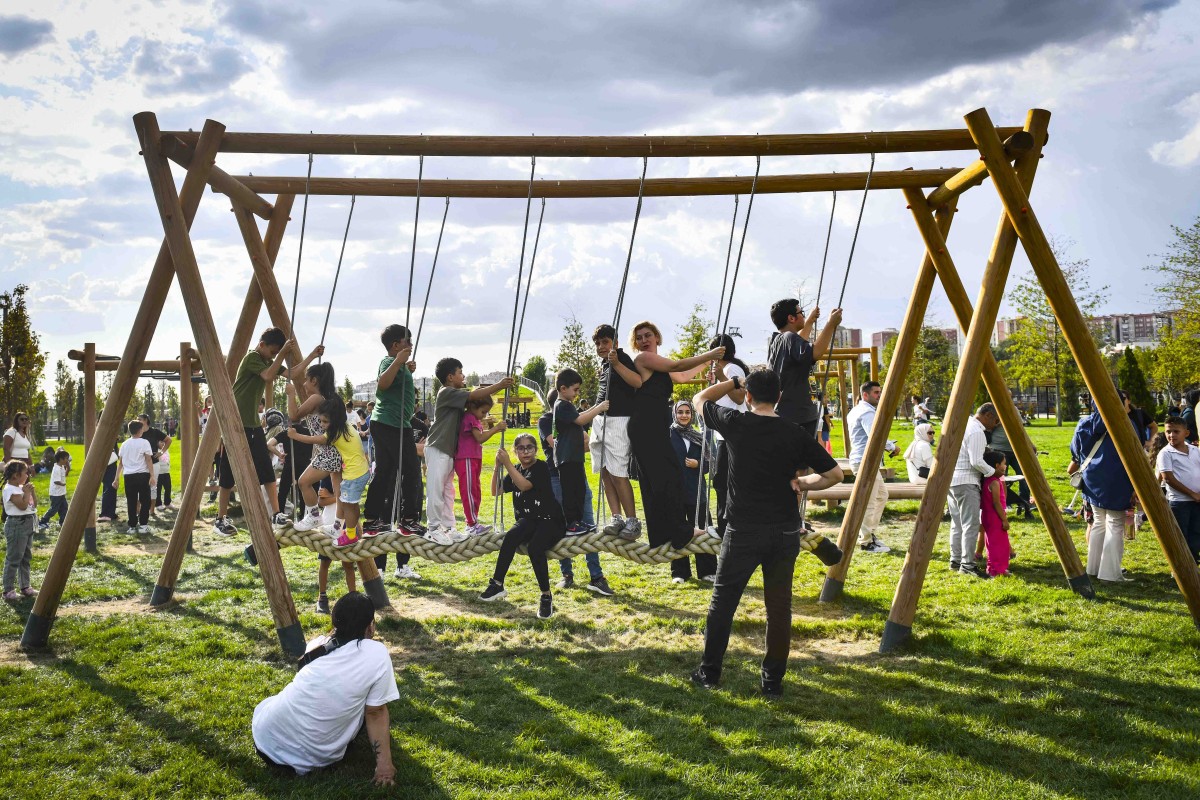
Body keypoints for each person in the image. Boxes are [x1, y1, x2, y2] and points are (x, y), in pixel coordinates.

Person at [690, 368, 843, 698]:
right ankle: (772, 682)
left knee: (722, 604)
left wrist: (733, 381)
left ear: (748, 397)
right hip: (784, 532)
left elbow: (699, 398)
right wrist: (802, 483)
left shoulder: (736, 423)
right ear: (780, 397)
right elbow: (835, 474)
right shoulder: (794, 433)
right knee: (778, 609)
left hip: (743, 530)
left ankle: (709, 673)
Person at [252, 592, 398, 784]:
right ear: (370, 627)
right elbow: (376, 712)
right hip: (312, 760)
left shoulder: (316, 644)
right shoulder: (377, 654)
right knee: (373, 704)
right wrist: (385, 767)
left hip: (265, 738)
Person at [215, 328, 324, 535]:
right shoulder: (252, 358)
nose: (274, 356)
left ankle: (276, 513)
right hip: (234, 423)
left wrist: (311, 355)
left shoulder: (267, 360)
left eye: (276, 353)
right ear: (262, 344)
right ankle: (220, 519)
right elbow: (267, 376)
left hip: (253, 424)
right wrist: (282, 352)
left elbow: (292, 373)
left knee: (266, 470)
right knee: (228, 472)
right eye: (273, 352)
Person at [628, 321, 723, 550]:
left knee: (661, 479)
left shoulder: (659, 365)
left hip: (654, 427)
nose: (644, 340)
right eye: (639, 337)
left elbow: (681, 375)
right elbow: (678, 364)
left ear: (657, 338)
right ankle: (678, 531)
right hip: (645, 427)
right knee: (664, 478)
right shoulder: (643, 359)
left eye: (648, 335)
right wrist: (708, 354)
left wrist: (708, 362)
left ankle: (663, 535)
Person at [426, 358, 514, 544]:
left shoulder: (455, 395)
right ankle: (433, 528)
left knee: (448, 491)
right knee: (436, 490)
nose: (463, 375)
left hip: (449, 450)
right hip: (438, 446)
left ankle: (449, 527)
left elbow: (476, 403)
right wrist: (499, 385)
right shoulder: (446, 392)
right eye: (460, 372)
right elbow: (475, 396)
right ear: (450, 377)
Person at [479, 433, 565, 619]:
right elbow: (495, 491)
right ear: (515, 451)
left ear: (535, 450)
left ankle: (546, 596)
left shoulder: (540, 467)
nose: (526, 451)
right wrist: (496, 466)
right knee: (510, 537)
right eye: (521, 448)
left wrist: (508, 464)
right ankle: (497, 584)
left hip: (550, 520)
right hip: (529, 520)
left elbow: (525, 485)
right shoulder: (516, 469)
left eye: (529, 447)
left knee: (535, 548)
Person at [540, 390, 613, 596]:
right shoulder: (546, 420)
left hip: (577, 472)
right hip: (556, 477)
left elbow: (586, 441)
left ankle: (596, 576)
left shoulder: (572, 417)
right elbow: (556, 443)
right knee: (566, 525)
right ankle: (567, 574)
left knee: (588, 524)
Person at [287, 399, 368, 549]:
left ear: (335, 420)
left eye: (325, 422)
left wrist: (295, 435)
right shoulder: (346, 427)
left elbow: (315, 439)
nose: (322, 425)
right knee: (348, 503)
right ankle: (340, 529)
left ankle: (350, 535)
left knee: (350, 506)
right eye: (321, 421)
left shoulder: (335, 433)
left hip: (355, 474)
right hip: (357, 471)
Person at [1072, 406, 1134, 583]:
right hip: (1118, 478)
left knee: (1099, 523)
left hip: (1092, 479)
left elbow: (1075, 451)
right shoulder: (1122, 424)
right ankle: (1109, 574)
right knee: (1115, 525)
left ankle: (1093, 568)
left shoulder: (1084, 423)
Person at [591, 324, 643, 539]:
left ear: (616, 343)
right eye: (598, 343)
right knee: (604, 471)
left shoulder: (622, 359)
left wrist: (617, 363)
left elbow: (637, 382)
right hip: (600, 420)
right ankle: (616, 516)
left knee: (618, 472)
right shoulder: (604, 364)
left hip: (619, 421)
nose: (601, 347)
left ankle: (632, 520)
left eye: (605, 342)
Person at [767, 299, 842, 436]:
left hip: (785, 413)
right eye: (801, 312)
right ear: (791, 318)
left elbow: (799, 345)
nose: (803, 315)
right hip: (799, 417)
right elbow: (815, 352)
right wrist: (831, 324)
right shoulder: (790, 338)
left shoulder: (778, 340)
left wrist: (809, 322)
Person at [285, 363, 344, 534]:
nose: (303, 384)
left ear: (314, 380)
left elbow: (294, 416)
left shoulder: (317, 398)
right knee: (339, 493)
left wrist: (291, 394)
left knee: (303, 482)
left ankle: (313, 516)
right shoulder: (328, 398)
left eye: (306, 380)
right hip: (334, 451)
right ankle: (339, 526)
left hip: (328, 452)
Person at [845, 381, 900, 554]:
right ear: (865, 395)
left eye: (880, 392)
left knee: (882, 495)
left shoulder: (856, 410)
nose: (879, 395)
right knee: (869, 501)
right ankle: (866, 542)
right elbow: (875, 436)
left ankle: (870, 534)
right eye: (876, 392)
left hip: (865, 461)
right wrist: (892, 447)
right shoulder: (867, 412)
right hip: (865, 461)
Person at [553, 368, 609, 534]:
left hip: (573, 457)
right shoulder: (562, 405)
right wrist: (599, 407)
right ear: (563, 389)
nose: (577, 393)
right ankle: (571, 523)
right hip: (567, 457)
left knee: (579, 490)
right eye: (575, 389)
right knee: (571, 491)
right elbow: (580, 419)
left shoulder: (566, 405)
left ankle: (577, 522)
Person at [705, 334, 749, 538]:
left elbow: (740, 397)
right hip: (725, 432)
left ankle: (726, 526)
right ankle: (727, 524)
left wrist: (723, 378)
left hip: (732, 432)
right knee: (723, 479)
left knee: (722, 480)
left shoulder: (732, 369)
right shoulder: (728, 369)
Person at [948, 403, 1000, 577]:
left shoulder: (965, 425)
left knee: (957, 524)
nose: (996, 424)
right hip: (967, 482)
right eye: (996, 420)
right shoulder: (977, 431)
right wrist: (994, 473)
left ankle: (955, 560)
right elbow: (976, 461)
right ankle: (967, 564)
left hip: (953, 480)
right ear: (987, 415)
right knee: (971, 525)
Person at [669, 399, 717, 582]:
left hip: (696, 490)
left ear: (691, 415)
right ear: (675, 413)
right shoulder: (668, 435)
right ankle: (680, 572)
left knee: (702, 528)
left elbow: (711, 464)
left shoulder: (698, 436)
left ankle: (707, 570)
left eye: (687, 412)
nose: (683, 415)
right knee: (679, 529)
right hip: (675, 491)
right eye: (680, 412)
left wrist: (699, 465)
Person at [456, 395, 505, 536]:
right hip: (466, 458)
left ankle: (473, 521)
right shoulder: (469, 418)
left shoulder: (475, 419)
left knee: (476, 490)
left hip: (474, 458)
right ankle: (471, 524)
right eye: (483, 412)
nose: (484, 416)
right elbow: (480, 438)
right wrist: (496, 428)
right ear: (472, 407)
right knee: (469, 491)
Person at [1156, 416, 1200, 564]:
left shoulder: (1195, 450)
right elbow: (1168, 478)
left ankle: (1193, 565)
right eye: (1168, 431)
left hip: (1197, 501)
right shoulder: (1165, 453)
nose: (1171, 435)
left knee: (1196, 534)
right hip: (1179, 503)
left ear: (1186, 433)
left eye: (1176, 431)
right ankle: (1180, 569)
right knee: (1180, 537)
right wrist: (1192, 494)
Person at [314, 476, 358, 614]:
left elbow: (353, 500)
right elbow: (321, 501)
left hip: (347, 525)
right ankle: (322, 597)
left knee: (348, 564)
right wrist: (339, 497)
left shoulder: (350, 474)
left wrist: (333, 496)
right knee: (325, 562)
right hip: (329, 523)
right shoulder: (327, 476)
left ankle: (353, 596)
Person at [3, 460, 39, 600]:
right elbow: (23, 506)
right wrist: (26, 492)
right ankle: (8, 590)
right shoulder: (10, 490)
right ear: (16, 475)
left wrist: (32, 492)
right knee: (14, 558)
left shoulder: (20, 487)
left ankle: (25, 586)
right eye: (25, 472)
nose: (28, 474)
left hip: (27, 524)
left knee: (25, 557)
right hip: (17, 525)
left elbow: (33, 505)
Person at [114, 419, 156, 534]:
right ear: (139, 430)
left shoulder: (124, 444)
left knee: (131, 501)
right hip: (143, 475)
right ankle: (143, 525)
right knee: (145, 501)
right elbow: (148, 460)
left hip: (128, 476)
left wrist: (116, 478)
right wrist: (152, 476)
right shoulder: (144, 442)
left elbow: (121, 463)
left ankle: (132, 526)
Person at [987, 417, 1032, 519]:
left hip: (1016, 450)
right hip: (998, 450)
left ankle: (1024, 503)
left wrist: (1030, 444)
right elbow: (988, 426)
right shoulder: (993, 410)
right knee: (1001, 480)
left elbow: (1020, 428)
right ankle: (1003, 505)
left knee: (1025, 476)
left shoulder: (1014, 410)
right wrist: (996, 423)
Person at [979, 449, 1011, 578]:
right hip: (995, 517)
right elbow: (996, 503)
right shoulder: (994, 482)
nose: (1006, 466)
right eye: (1004, 463)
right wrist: (1004, 519)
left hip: (987, 516)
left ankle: (993, 567)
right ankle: (997, 570)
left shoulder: (987, 480)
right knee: (999, 545)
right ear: (997, 465)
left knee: (991, 543)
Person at [39, 450, 71, 530]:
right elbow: (56, 481)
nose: (67, 460)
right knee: (54, 509)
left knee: (64, 508)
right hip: (55, 494)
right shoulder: (56, 469)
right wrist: (62, 484)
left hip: (61, 493)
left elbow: (65, 475)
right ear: (61, 459)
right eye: (66, 459)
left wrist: (68, 467)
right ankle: (43, 521)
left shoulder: (61, 467)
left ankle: (63, 522)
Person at [98, 443, 120, 523]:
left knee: (111, 489)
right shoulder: (107, 440)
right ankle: (106, 514)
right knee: (109, 489)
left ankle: (110, 513)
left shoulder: (112, 441)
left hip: (111, 466)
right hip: (108, 465)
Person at [154, 447, 172, 511]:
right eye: (161, 442)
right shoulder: (156, 450)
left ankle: (167, 503)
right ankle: (158, 504)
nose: (163, 444)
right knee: (158, 489)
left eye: (164, 442)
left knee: (168, 488)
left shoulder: (166, 450)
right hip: (159, 473)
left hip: (166, 472)